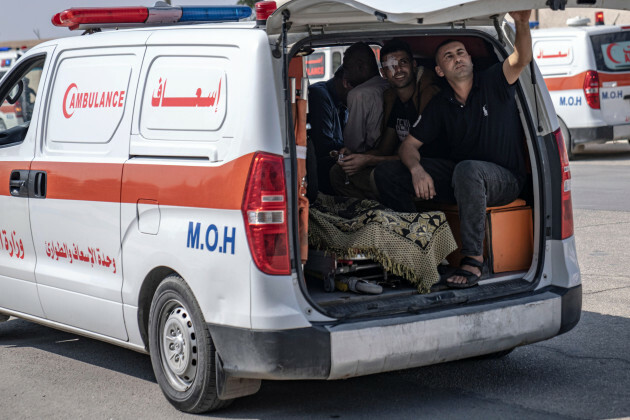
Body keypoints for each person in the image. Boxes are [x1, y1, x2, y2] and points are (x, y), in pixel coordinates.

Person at [373, 10, 532, 289]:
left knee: (467, 169)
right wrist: (416, 169)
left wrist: (520, 23)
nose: (457, 57)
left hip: (505, 180)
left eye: (461, 53)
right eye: (449, 56)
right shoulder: (441, 103)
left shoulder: (494, 81)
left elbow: (521, 59)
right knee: (388, 173)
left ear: (470, 60)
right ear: (439, 70)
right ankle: (421, 250)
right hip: (463, 178)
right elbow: (408, 146)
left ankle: (472, 259)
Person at [330, 39, 441, 199]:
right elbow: (384, 149)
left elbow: (422, 155)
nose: (398, 70)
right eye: (390, 66)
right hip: (401, 166)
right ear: (383, 73)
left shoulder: (428, 98)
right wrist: (355, 156)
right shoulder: (395, 102)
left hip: (424, 168)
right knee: (338, 172)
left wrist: (368, 160)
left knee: (383, 174)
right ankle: (368, 213)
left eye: (403, 62)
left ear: (414, 65)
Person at [307, 66, 349, 195]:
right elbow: (324, 144)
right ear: (346, 83)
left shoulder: (343, 104)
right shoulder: (319, 95)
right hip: (319, 167)